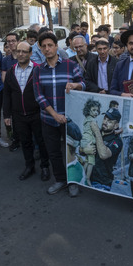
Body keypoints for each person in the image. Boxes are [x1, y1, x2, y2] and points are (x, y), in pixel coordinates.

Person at [33, 32, 85, 196]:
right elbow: (39, 96)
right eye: (44, 46)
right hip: (49, 118)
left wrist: (75, 85)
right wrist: (54, 114)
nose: (47, 49)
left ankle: (73, 181)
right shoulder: (38, 70)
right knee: (53, 151)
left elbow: (83, 84)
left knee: (71, 151)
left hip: (69, 118)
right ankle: (61, 180)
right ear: (41, 49)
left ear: (56, 46)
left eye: (50, 45)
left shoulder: (70, 65)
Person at [2, 41, 51, 182]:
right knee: (26, 142)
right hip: (19, 115)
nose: (21, 54)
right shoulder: (11, 71)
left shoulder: (38, 69)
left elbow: (45, 91)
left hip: (37, 113)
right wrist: (7, 115)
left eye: (24, 51)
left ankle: (45, 167)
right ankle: (29, 166)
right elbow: (7, 94)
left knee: (41, 142)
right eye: (18, 51)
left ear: (30, 53)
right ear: (15, 53)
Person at [82, 108, 124, 191]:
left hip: (102, 183)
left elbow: (103, 155)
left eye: (110, 121)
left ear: (116, 125)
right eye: (105, 118)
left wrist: (97, 132)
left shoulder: (117, 141)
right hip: (86, 177)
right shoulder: (95, 132)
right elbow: (80, 149)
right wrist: (84, 150)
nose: (105, 122)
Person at [80, 98, 101, 186]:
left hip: (84, 141)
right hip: (89, 142)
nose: (96, 112)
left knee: (87, 160)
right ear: (88, 110)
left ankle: (82, 176)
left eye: (97, 110)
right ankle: (88, 179)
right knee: (91, 162)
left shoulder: (86, 119)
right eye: (93, 110)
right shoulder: (93, 121)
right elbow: (96, 132)